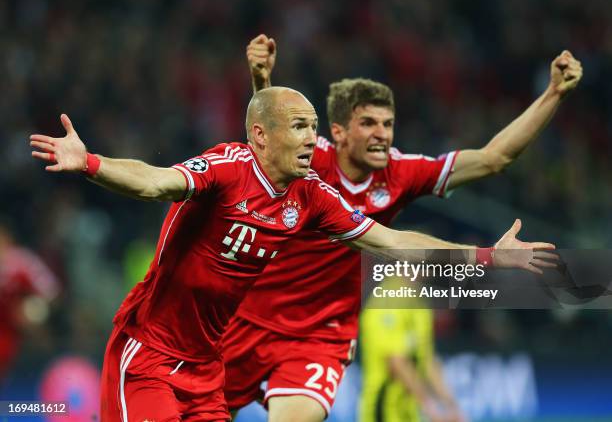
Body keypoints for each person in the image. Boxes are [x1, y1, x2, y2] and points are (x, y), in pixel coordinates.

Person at [30, 87, 552, 422]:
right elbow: (153, 182)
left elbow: (392, 241)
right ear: (261, 136)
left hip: (207, 368)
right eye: (299, 127)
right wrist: (91, 162)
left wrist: (486, 258)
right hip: (149, 356)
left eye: (312, 127)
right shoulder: (227, 168)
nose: (311, 138)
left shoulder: (312, 197)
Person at [221, 35, 581, 422]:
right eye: (369, 123)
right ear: (339, 132)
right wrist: (262, 81)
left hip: (320, 335)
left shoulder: (401, 173)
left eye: (388, 124)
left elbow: (495, 158)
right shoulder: (312, 161)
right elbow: (272, 143)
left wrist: (554, 94)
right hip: (247, 319)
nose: (382, 134)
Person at [0, 220, 60, 381]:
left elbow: (51, 292)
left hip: (18, 338)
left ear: (7, 239)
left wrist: (32, 310)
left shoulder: (21, 262)